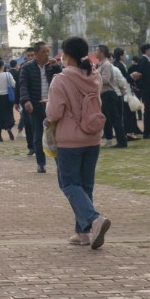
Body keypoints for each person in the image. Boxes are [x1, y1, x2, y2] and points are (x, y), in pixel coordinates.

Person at [46, 35, 111, 249]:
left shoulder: (61, 79)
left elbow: (54, 113)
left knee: (69, 183)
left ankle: (94, 219)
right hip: (92, 136)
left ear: (65, 54)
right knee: (85, 185)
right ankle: (82, 233)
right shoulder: (94, 75)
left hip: (69, 140)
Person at [16, 45, 50, 171]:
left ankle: (59, 162)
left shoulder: (52, 66)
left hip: (52, 105)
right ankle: (41, 163)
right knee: (38, 135)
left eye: (48, 51)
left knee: (54, 135)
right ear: (36, 54)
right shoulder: (27, 68)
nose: (46, 54)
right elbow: (23, 86)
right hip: (36, 105)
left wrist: (57, 67)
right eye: (43, 52)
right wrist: (26, 100)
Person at [93, 44, 133, 149]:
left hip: (108, 95)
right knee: (110, 119)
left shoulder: (106, 64)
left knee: (115, 119)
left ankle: (122, 142)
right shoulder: (101, 64)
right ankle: (118, 141)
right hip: (105, 95)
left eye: (97, 51)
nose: (95, 52)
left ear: (102, 52)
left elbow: (106, 79)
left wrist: (94, 79)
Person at [129, 43, 150, 139]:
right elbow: (148, 75)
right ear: (147, 50)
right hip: (147, 88)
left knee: (148, 110)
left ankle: (148, 130)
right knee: (149, 110)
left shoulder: (143, 60)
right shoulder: (144, 60)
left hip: (146, 88)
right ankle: (147, 132)